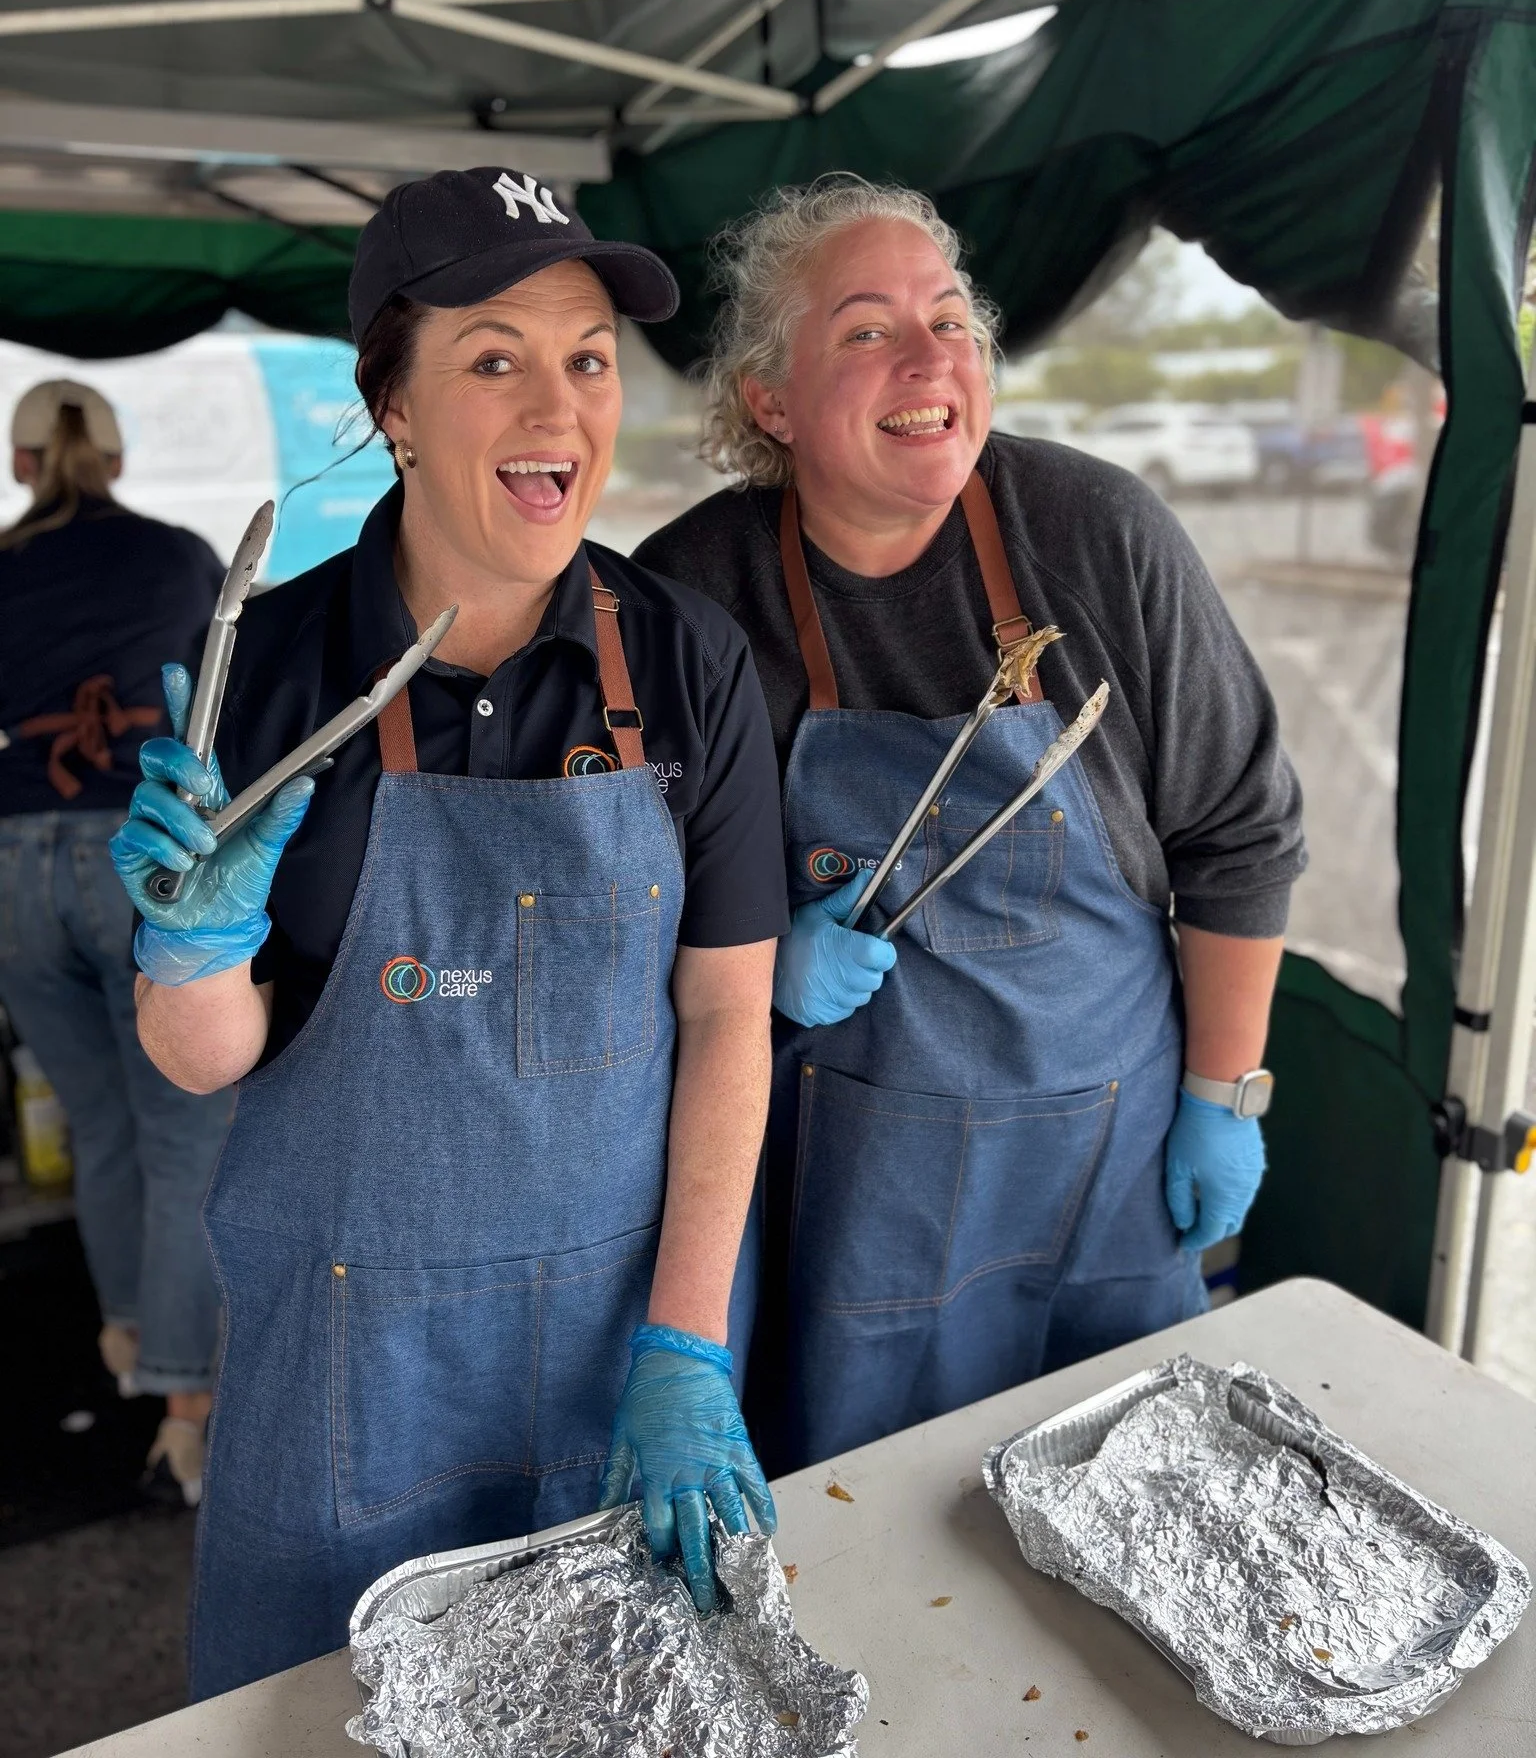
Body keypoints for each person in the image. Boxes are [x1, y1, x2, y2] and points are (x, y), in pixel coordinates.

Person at [109, 170, 788, 1699]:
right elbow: (206, 1060)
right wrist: (189, 950)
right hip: (347, 1372)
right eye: (494, 358)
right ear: (393, 407)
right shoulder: (268, 669)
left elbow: (728, 1018)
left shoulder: (684, 661)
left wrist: (688, 1344)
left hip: (620, 1350)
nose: (558, 406)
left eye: (590, 357)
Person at [635, 177, 1306, 1474]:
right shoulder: (692, 598)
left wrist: (1226, 1092)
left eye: (951, 318)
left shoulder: (1098, 535)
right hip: (844, 1192)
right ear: (769, 400)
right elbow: (628, 902)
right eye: (868, 329)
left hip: (1104, 1169)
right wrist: (761, 958)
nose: (932, 354)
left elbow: (1242, 836)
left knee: (1118, 1513)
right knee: (874, 1534)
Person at [0, 379, 232, 1507]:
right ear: (119, 459)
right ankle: (188, 1407)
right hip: (133, 858)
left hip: (12, 866)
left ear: (21, 463)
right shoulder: (181, 556)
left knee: (99, 1126)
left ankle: (129, 1340)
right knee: (183, 1133)